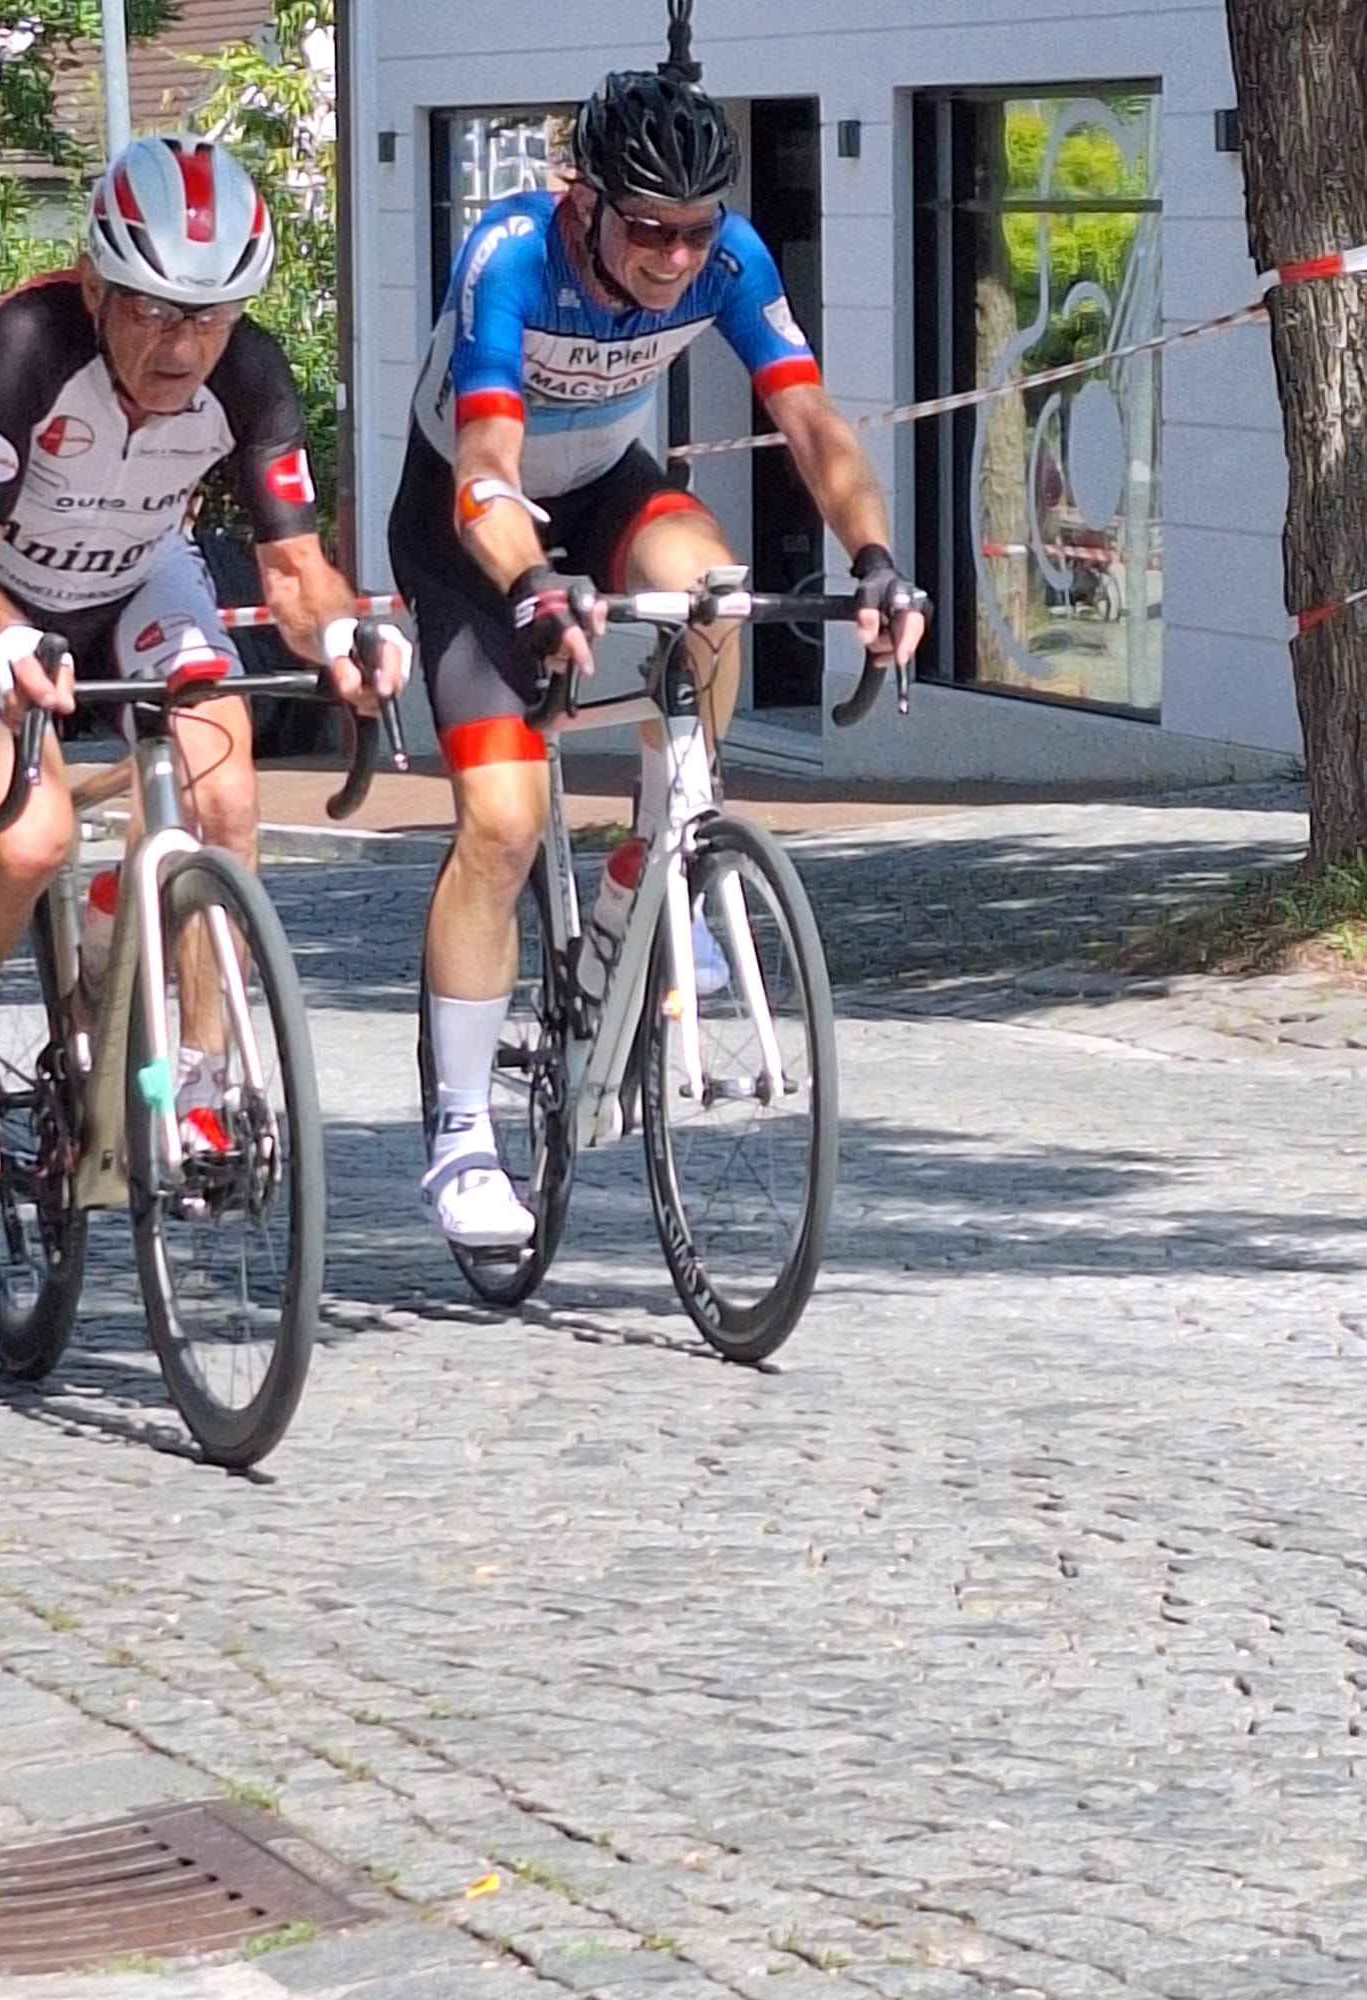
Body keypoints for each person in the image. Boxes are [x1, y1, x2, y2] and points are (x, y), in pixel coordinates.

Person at [388, 28, 927, 1251]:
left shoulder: (724, 257)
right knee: (506, 821)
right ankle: (464, 1132)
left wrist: (877, 559)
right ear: (584, 201)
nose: (678, 256)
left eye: (697, 229)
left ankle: (661, 860)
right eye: (650, 230)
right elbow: (482, 471)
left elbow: (815, 429)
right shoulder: (510, 256)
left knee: (715, 594)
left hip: (607, 482)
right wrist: (532, 583)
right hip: (472, 521)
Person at [0, 132, 409, 1188]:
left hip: (140, 576)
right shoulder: (29, 346)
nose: (186, 347)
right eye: (155, 310)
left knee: (223, 798)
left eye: (213, 317)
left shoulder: (253, 372)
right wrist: (1, 640)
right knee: (32, 838)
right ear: (95, 283)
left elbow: (295, 569)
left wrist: (343, 635)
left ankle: (197, 1081)